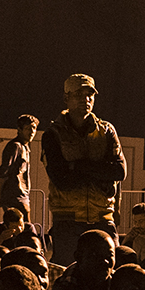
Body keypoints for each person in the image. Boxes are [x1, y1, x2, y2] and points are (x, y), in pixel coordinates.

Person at [42, 74, 125, 266]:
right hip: (67, 221)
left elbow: (119, 171)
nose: (86, 99)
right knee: (66, 273)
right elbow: (61, 180)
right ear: (66, 98)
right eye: (79, 94)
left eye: (90, 94)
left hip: (103, 219)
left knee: (109, 273)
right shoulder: (53, 134)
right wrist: (100, 170)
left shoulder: (106, 130)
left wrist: (77, 166)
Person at [49, 227, 117, 290]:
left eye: (110, 255)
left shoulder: (120, 284)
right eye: (95, 255)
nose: (105, 261)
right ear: (78, 257)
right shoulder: (64, 289)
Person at [0, 113, 38, 224]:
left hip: (22, 196)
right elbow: (3, 172)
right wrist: (0, 195)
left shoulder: (25, 147)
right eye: (28, 128)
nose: (32, 132)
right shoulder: (15, 146)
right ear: (19, 129)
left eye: (34, 128)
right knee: (24, 228)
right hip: (15, 196)